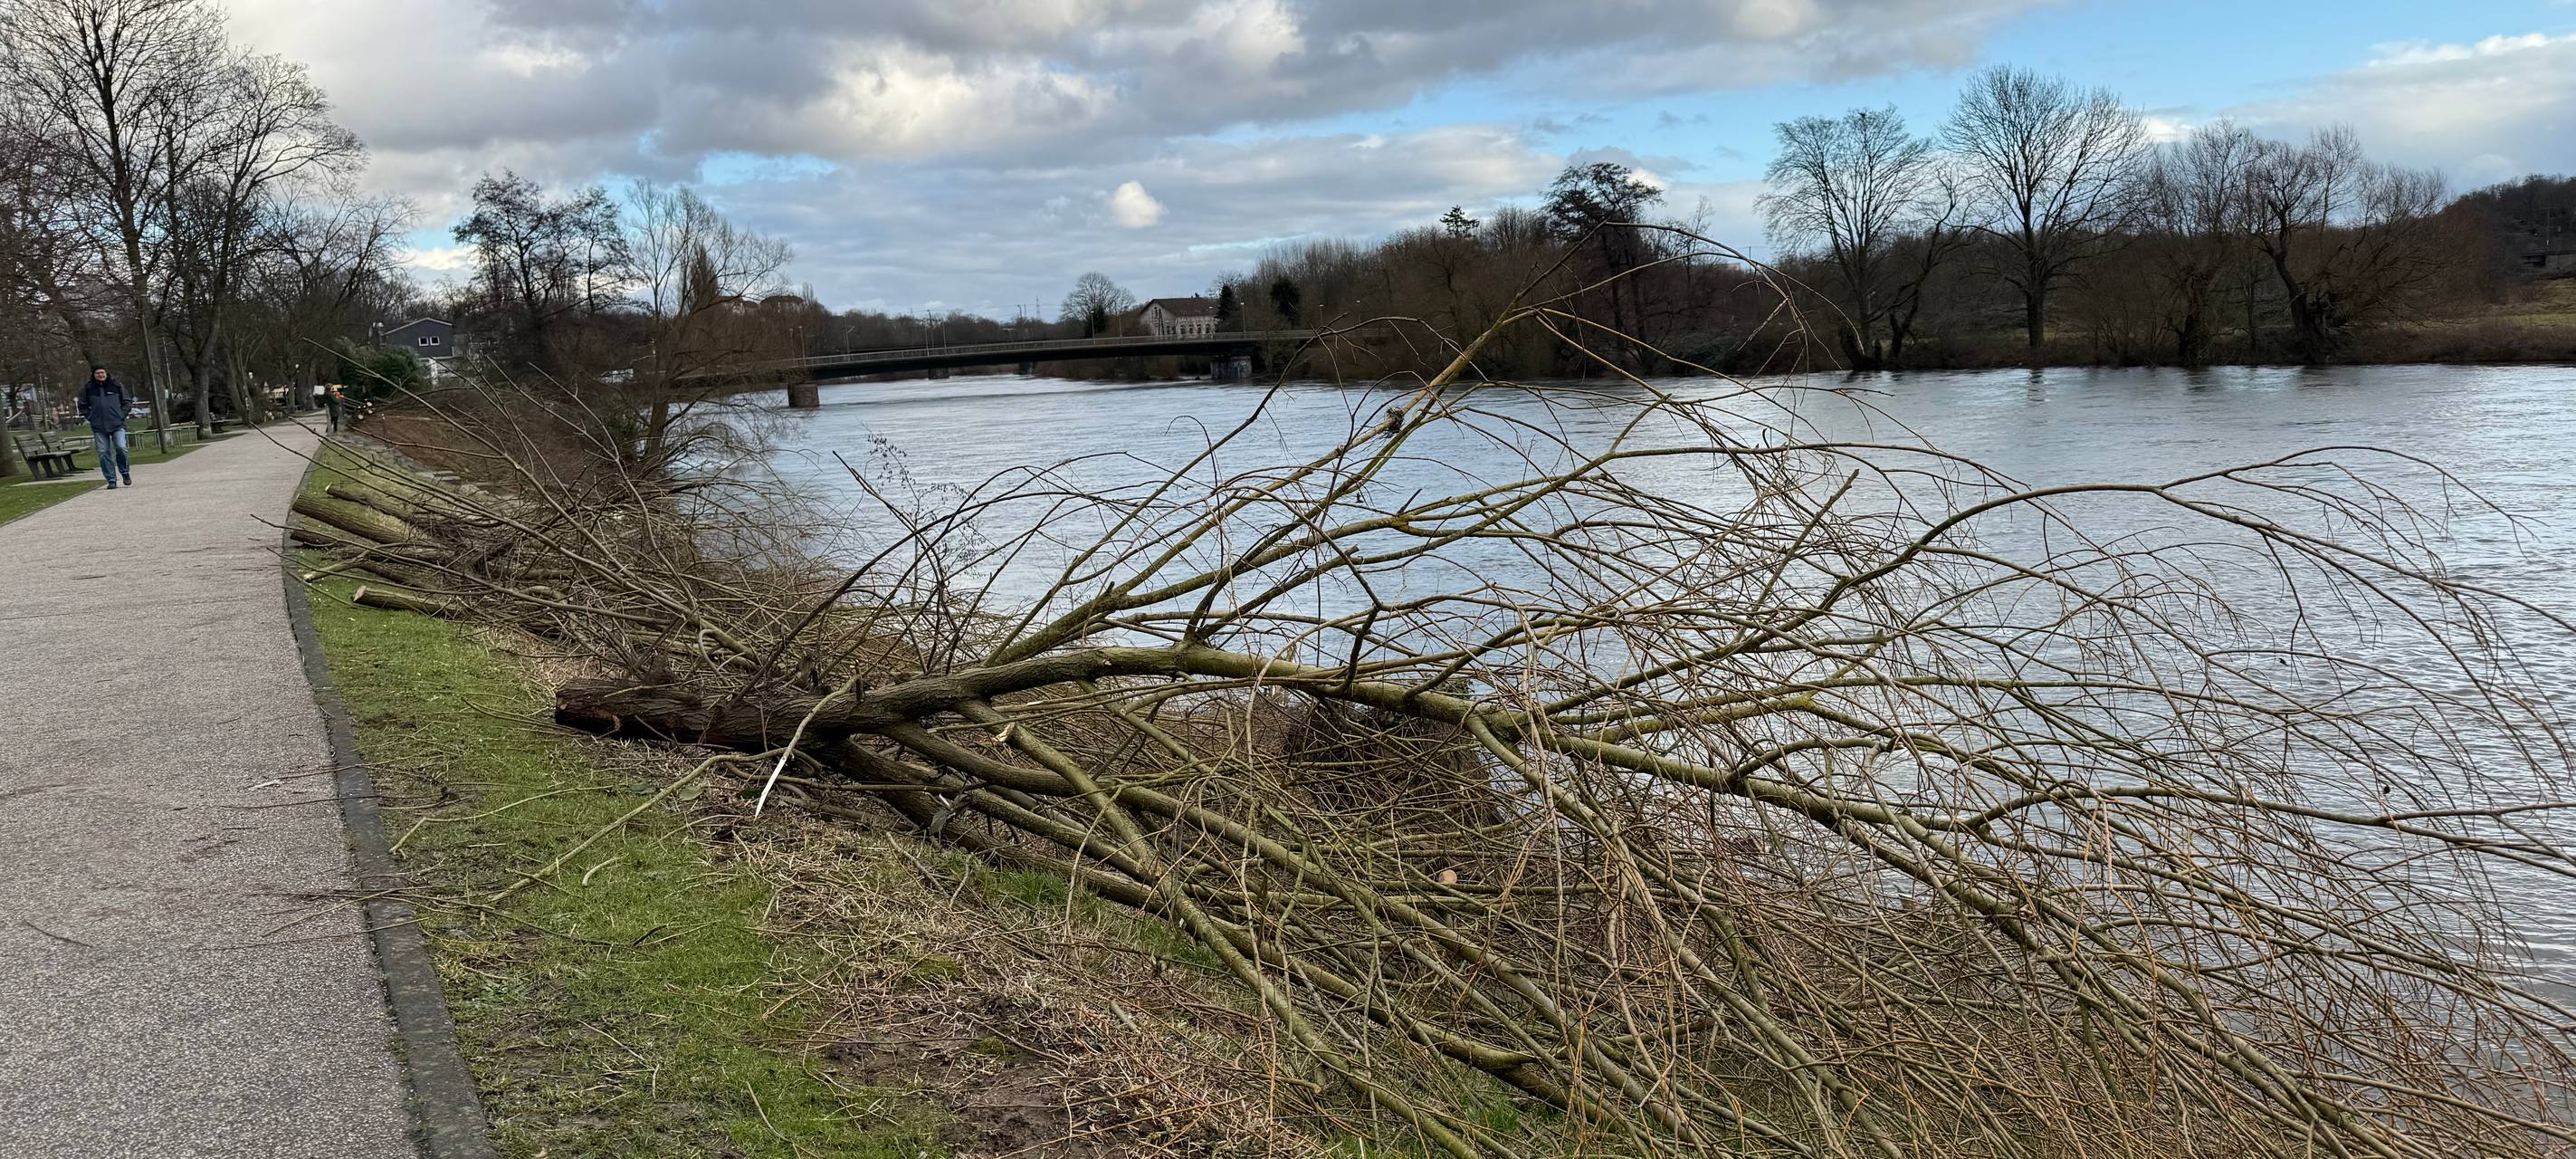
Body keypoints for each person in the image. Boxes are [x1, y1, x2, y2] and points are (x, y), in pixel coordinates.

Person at [79, 366, 133, 489]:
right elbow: (82, 405)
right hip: (99, 426)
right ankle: (111, 479)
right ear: (94, 375)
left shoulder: (116, 385)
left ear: (106, 373)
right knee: (103, 453)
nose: (100, 375)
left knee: (121, 448)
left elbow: (127, 402)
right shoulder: (88, 388)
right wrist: (90, 417)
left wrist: (121, 415)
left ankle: (125, 473)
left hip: (117, 424)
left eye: (102, 372)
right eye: (98, 373)